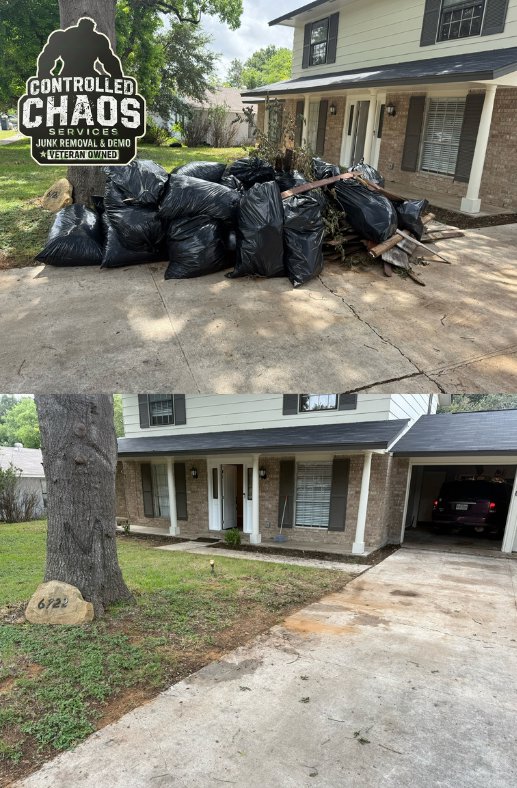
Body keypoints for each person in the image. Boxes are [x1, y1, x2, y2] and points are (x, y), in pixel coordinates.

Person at [37, 18, 123, 79]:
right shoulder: (63, 36)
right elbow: (48, 56)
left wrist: (117, 77)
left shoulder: (98, 40)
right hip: (72, 77)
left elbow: (109, 60)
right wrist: (44, 75)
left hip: (82, 77)